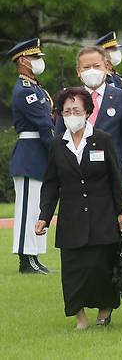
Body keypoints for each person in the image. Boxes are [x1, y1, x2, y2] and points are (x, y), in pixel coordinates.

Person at [36, 87, 122, 330]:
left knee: (101, 267)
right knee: (73, 270)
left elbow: (115, 179)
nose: (71, 114)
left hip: (102, 216)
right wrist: (44, 217)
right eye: (66, 111)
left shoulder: (102, 139)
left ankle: (104, 310)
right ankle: (79, 318)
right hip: (71, 218)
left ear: (88, 111)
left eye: (76, 110)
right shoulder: (57, 145)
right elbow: (51, 183)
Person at [55, 46, 122, 197]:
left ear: (106, 67)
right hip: (76, 173)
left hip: (111, 171)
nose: (91, 70)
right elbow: (59, 138)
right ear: (78, 71)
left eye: (96, 66)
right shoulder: (68, 98)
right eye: (86, 67)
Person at [7, 38, 54, 274]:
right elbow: (44, 126)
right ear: (23, 60)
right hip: (30, 156)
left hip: (37, 156)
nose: (38, 62)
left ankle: (34, 257)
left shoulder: (36, 88)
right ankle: (26, 260)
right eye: (35, 58)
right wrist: (58, 152)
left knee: (38, 209)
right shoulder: (26, 91)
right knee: (28, 210)